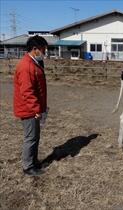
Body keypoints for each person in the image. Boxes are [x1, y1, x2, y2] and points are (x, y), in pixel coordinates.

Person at [13, 35, 48, 176]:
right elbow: (27, 91)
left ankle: (33, 161)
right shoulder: (26, 66)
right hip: (28, 109)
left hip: (33, 108)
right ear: (35, 49)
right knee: (31, 138)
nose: (45, 53)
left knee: (35, 136)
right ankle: (28, 166)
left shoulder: (33, 63)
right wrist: (36, 110)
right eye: (43, 49)